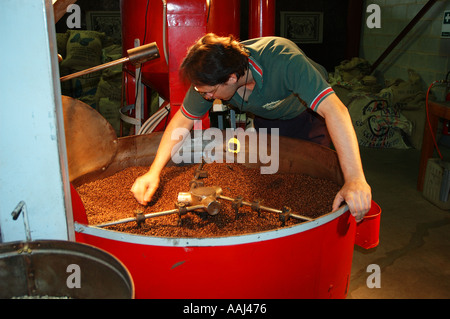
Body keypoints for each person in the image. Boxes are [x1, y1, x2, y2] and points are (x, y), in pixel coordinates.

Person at [131, 33, 372, 222]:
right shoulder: (212, 76)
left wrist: (355, 179)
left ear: (232, 78)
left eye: (210, 93)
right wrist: (154, 172)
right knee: (272, 185)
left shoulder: (284, 59)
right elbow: (181, 123)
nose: (206, 98)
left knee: (312, 188)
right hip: (268, 119)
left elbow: (335, 110)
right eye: (200, 92)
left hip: (307, 116)